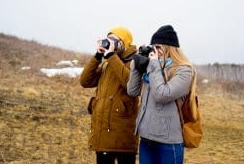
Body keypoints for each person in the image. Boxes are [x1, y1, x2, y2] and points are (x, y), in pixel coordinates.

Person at [127, 25, 197, 164]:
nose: (154, 51)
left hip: (168, 142)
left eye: (157, 47)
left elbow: (162, 95)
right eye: (152, 46)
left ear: (169, 47)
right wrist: (137, 64)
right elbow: (132, 91)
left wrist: (153, 66)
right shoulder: (154, 66)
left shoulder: (184, 71)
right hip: (146, 138)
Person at [80, 26, 139, 164]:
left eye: (115, 40)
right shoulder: (107, 63)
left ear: (123, 44)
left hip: (122, 134)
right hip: (103, 132)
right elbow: (85, 81)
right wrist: (98, 56)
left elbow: (131, 85)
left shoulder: (133, 61)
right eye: (108, 39)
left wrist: (111, 57)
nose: (110, 43)